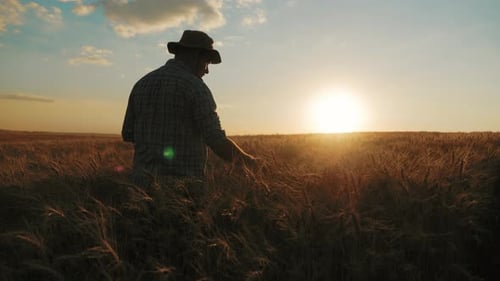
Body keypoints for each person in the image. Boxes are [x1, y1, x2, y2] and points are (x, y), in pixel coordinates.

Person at [122, 30, 256, 183]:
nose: (207, 70)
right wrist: (252, 163)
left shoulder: (141, 84)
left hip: (139, 188)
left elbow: (128, 133)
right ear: (196, 56)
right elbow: (216, 140)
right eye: (207, 62)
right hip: (183, 189)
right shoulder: (196, 88)